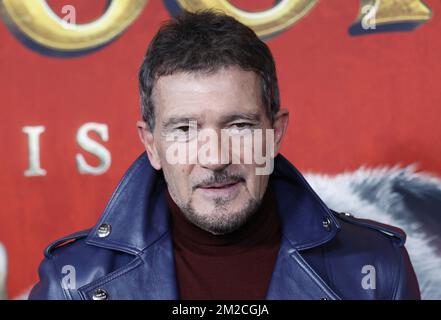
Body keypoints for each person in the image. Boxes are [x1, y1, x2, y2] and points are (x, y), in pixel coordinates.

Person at [29, 10, 420, 300]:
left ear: (276, 131)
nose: (215, 159)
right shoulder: (73, 282)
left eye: (239, 126)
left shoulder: (377, 269)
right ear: (152, 144)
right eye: (184, 129)